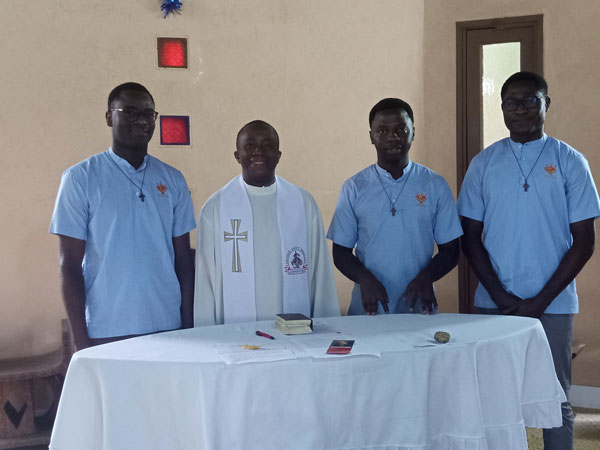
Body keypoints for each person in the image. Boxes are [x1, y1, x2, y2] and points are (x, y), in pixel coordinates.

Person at [458, 71, 600, 450]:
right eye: (511, 103)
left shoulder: (570, 161)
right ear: (502, 108)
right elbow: (470, 239)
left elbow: (584, 242)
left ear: (546, 104)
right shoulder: (484, 164)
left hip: (553, 305)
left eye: (530, 101)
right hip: (494, 304)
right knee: (495, 398)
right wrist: (500, 296)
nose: (520, 109)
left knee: (555, 398)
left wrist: (540, 301)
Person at [49, 82, 196, 350]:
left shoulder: (173, 179)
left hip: (167, 325)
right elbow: (69, 265)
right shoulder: (80, 178)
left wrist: (188, 328)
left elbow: (184, 261)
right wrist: (81, 343)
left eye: (148, 114)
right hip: (106, 329)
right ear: (109, 117)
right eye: (130, 112)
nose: (141, 120)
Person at [194, 120, 340, 325]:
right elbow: (205, 278)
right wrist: (206, 333)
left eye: (267, 145)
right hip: (236, 333)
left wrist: (327, 327)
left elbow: (320, 272)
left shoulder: (303, 203)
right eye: (250, 145)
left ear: (278, 155)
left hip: (295, 331)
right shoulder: (215, 208)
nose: (258, 152)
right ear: (237, 155)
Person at [328, 98, 462, 315]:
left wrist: (427, 277)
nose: (393, 136)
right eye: (382, 131)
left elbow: (451, 251)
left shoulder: (434, 184)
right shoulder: (354, 187)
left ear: (413, 132)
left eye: (402, 129)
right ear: (371, 136)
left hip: (418, 307)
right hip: (369, 308)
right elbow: (341, 252)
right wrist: (364, 278)